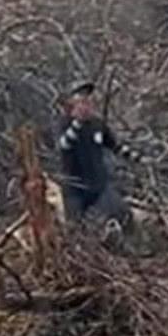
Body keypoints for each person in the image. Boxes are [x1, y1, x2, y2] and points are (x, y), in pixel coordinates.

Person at [49, 80, 138, 232]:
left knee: (124, 214)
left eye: (88, 100)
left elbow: (114, 145)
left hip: (99, 185)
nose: (87, 104)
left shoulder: (97, 124)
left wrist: (135, 157)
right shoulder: (64, 123)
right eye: (82, 101)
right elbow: (63, 146)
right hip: (75, 188)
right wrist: (77, 123)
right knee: (74, 228)